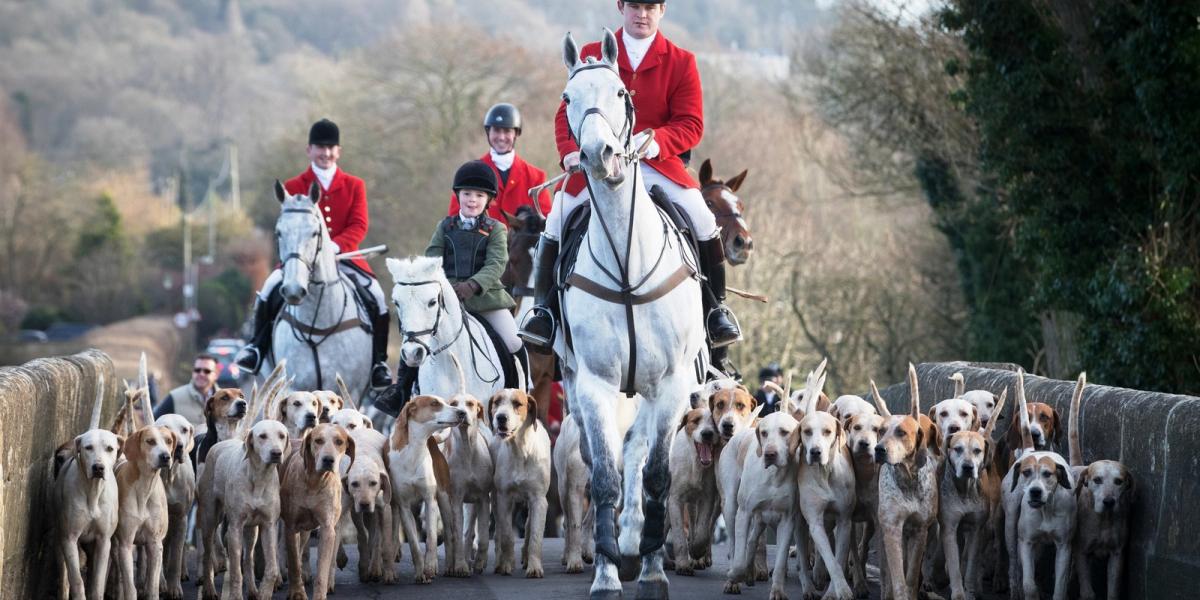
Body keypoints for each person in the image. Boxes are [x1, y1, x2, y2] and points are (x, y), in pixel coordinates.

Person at [519, 0, 741, 353]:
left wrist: (657, 142)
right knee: (557, 217)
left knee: (700, 216)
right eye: (635, 5)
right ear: (621, 6)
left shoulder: (682, 61)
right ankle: (543, 313)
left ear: (662, 10)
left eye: (650, 6)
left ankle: (716, 310)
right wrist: (569, 151)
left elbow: (691, 124)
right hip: (598, 167)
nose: (642, 14)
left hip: (656, 164)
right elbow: (566, 114)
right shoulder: (592, 54)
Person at [235, 119, 392, 389]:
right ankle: (256, 348)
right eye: (320, 147)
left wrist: (336, 246)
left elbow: (359, 224)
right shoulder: (294, 185)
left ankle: (379, 363)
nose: (326, 153)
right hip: (299, 260)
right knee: (269, 289)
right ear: (309, 150)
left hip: (344, 258)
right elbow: (287, 227)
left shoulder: (355, 185)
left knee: (377, 297)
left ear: (338, 151)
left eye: (331, 148)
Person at [376, 160, 527, 415]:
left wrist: (472, 285)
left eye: (479, 195)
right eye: (467, 194)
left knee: (514, 342)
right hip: (447, 300)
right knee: (416, 335)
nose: (472, 200)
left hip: (486, 299)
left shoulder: (496, 229)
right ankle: (400, 389)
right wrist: (445, 286)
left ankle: (520, 393)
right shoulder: (445, 227)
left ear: (488, 199)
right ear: (458, 195)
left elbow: (497, 263)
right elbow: (431, 260)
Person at [447, 103, 553, 221]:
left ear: (516, 133)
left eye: (507, 131)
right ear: (488, 132)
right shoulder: (470, 173)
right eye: (496, 130)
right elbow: (454, 220)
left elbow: (546, 223)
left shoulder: (536, 177)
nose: (501, 137)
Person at [153, 354, 220, 435]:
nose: (201, 374)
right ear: (193, 372)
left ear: (216, 374)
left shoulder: (227, 401)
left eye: (207, 371)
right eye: (197, 370)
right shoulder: (174, 397)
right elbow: (154, 424)